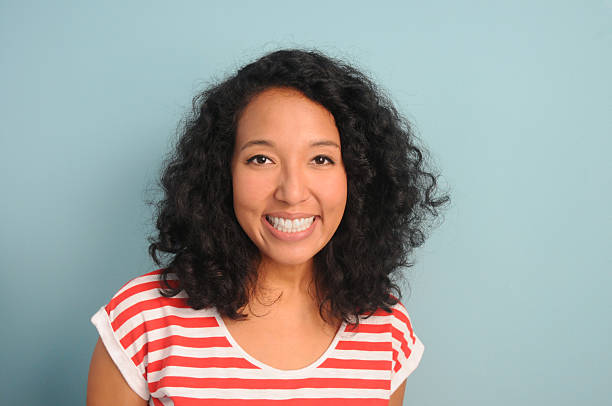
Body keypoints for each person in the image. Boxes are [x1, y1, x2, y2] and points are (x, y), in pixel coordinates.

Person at [87, 48, 449, 405]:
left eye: (321, 159)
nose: (291, 193)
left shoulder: (386, 329)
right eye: (261, 159)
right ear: (222, 173)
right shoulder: (144, 318)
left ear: (358, 176)